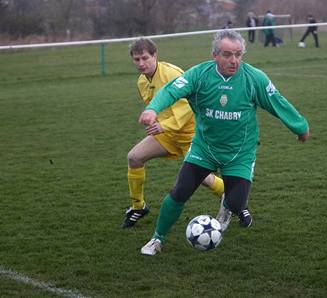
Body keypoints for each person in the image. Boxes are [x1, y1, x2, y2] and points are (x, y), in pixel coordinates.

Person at [138, 30, 311, 256]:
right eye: (228, 55)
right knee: (179, 192)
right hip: (204, 149)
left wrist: (300, 126)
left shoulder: (254, 78)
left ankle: (227, 209)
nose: (234, 60)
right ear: (215, 55)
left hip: (239, 153)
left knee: (237, 203)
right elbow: (171, 90)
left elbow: (276, 102)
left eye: (238, 54)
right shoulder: (199, 75)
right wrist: (152, 109)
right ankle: (156, 239)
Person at [123, 38, 225, 228]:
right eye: (136, 60)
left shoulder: (171, 74)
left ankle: (233, 199)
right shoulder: (142, 82)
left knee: (202, 178)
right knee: (134, 157)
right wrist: (156, 121)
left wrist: (164, 125)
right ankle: (138, 207)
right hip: (168, 134)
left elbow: (188, 106)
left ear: (155, 55)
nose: (141, 63)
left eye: (145, 58)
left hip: (191, 134)